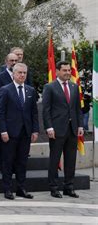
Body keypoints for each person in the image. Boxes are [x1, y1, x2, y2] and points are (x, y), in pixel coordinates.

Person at [0, 63, 39, 200]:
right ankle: (7, 189)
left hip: (25, 132)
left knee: (22, 161)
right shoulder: (5, 90)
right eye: (19, 73)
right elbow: (1, 112)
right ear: (14, 74)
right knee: (8, 161)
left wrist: (35, 130)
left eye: (24, 73)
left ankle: (21, 188)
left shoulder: (30, 91)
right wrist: (3, 130)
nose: (22, 75)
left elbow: (34, 113)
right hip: (10, 132)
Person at [43, 61, 84, 198]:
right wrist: (49, 127)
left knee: (71, 159)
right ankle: (54, 188)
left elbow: (77, 109)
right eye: (64, 70)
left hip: (72, 130)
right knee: (55, 159)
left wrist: (80, 126)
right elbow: (46, 110)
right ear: (58, 71)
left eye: (69, 70)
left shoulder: (74, 86)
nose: (68, 73)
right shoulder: (50, 87)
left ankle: (69, 186)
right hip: (56, 130)